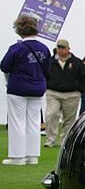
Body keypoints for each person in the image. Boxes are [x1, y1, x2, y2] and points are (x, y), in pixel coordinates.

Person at [1, 15, 51, 165]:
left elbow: (4, 66)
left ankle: (17, 157)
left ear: (19, 29)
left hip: (18, 88)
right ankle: (32, 156)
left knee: (17, 121)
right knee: (34, 122)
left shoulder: (16, 48)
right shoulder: (44, 48)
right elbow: (48, 68)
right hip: (37, 88)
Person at [44, 39, 85, 148]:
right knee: (51, 115)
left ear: (68, 49)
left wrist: (80, 90)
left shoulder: (77, 62)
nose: (60, 50)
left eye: (63, 47)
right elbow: (44, 75)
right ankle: (50, 140)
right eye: (59, 47)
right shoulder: (50, 62)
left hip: (71, 94)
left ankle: (65, 141)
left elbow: (84, 77)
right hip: (53, 92)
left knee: (69, 120)